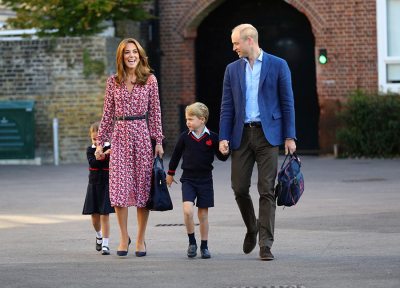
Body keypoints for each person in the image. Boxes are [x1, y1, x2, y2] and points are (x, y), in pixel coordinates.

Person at [219, 24, 297, 261]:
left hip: (268, 135)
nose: (233, 48)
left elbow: (287, 103)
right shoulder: (232, 70)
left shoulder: (278, 65)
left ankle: (265, 243)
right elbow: (227, 106)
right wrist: (223, 136)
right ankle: (252, 227)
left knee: (267, 189)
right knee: (239, 188)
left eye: (236, 43)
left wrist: (290, 136)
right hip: (240, 135)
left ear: (249, 40)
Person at [95, 38, 164, 257]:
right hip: (120, 137)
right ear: (121, 57)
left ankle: (141, 239)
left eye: (135, 52)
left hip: (142, 136)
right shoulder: (112, 81)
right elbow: (107, 114)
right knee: (119, 190)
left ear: (140, 55)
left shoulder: (150, 80)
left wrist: (159, 140)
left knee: (143, 190)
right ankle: (124, 237)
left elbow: (155, 113)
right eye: (127, 53)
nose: (131, 55)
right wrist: (100, 143)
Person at [166, 102, 229, 259]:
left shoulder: (213, 137)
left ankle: (204, 246)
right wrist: (170, 173)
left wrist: (225, 151)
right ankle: (192, 242)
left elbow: (221, 157)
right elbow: (175, 156)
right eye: (187, 119)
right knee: (187, 211)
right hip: (188, 179)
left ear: (202, 119)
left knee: (203, 215)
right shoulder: (184, 137)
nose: (188, 122)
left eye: (191, 119)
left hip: (205, 180)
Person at [82, 122, 115, 255]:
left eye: (99, 139)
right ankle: (99, 236)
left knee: (104, 214)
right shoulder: (90, 150)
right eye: (94, 139)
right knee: (94, 215)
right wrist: (103, 154)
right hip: (94, 184)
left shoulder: (111, 148)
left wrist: (105, 154)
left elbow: (110, 160)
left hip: (107, 184)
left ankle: (106, 244)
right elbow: (93, 162)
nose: (96, 141)